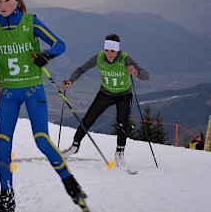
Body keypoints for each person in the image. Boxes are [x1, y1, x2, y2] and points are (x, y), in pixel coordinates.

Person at [0, 0, 88, 212]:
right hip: (8, 93)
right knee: (2, 143)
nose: (2, 5)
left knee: (41, 139)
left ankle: (70, 183)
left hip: (32, 90)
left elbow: (60, 44)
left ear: (17, 1)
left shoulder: (30, 22)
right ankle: (6, 199)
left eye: (7, 0)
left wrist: (46, 55)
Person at [61, 33, 149, 167]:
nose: (109, 54)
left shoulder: (125, 59)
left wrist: (135, 72)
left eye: (113, 51)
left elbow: (146, 76)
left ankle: (120, 152)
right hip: (105, 93)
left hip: (123, 95)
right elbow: (81, 69)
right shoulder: (99, 57)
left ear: (117, 50)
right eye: (107, 50)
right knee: (88, 118)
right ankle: (74, 146)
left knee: (122, 122)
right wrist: (70, 81)